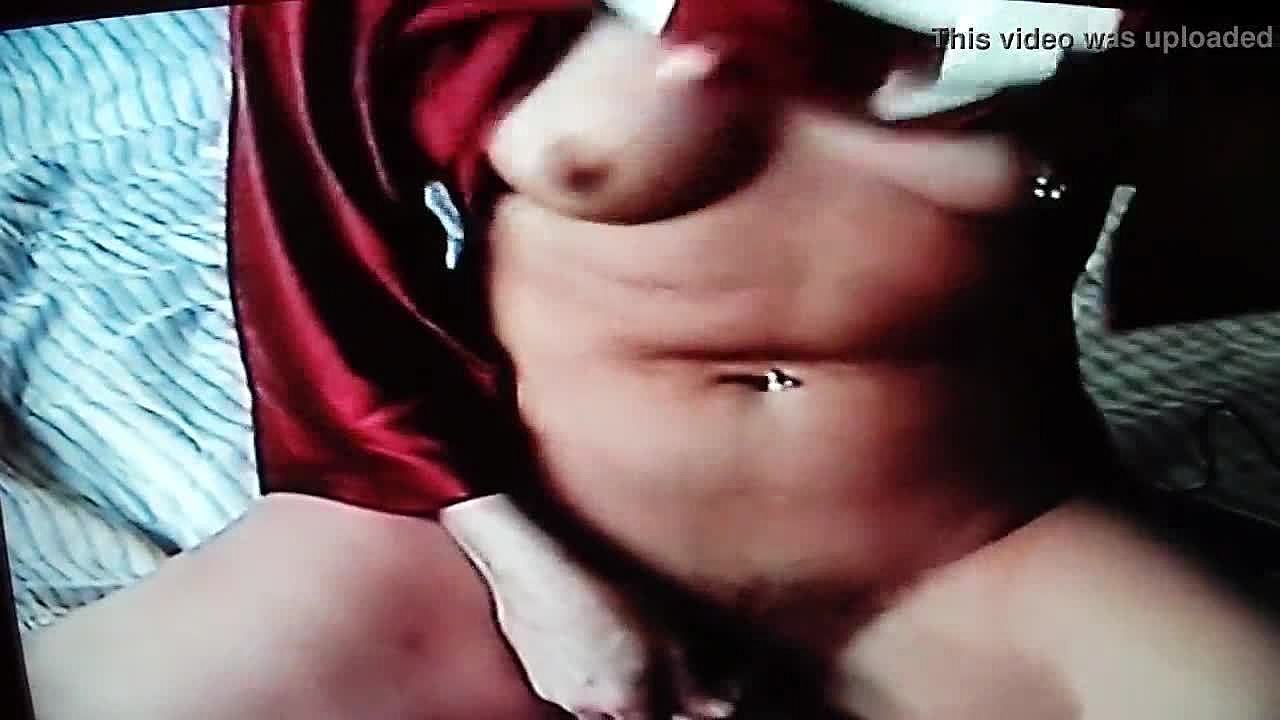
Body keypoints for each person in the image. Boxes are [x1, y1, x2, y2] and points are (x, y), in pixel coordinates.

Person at [14, 1, 1280, 719]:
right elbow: (322, 289)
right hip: (509, 537)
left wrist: (1117, 56)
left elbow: (1228, 93)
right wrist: (536, 584)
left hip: (960, 542)